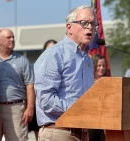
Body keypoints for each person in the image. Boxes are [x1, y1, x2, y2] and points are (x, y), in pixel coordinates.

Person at [34, 5, 96, 141]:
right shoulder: (54, 55)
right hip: (58, 132)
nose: (90, 27)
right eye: (84, 23)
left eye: (93, 23)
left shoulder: (87, 59)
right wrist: (78, 109)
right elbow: (46, 100)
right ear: (69, 27)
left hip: (83, 133)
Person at [0, 28, 35, 141]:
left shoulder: (22, 60)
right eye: (8, 37)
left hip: (16, 109)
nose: (12, 39)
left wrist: (30, 108)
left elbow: (30, 85)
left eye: (13, 37)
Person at [28, 39, 57, 141]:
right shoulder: (37, 66)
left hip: (57, 110)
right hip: (40, 108)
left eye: (54, 49)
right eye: (48, 49)